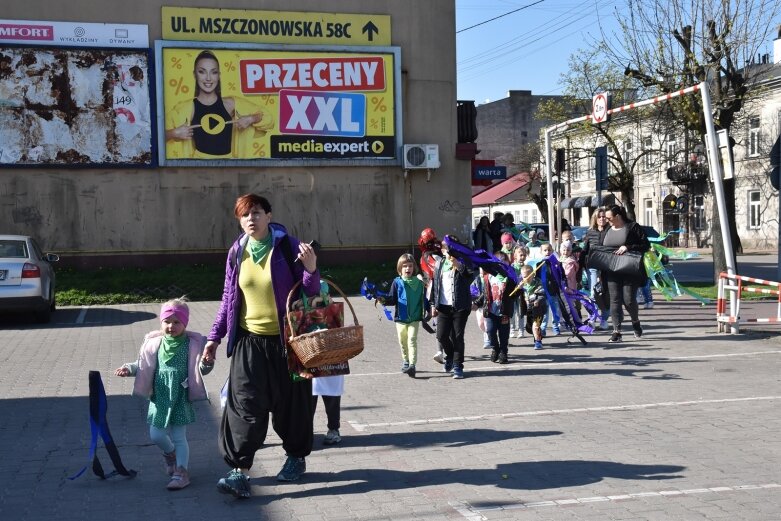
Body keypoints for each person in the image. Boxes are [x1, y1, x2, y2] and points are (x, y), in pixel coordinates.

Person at [202, 193, 320, 499]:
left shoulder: (288, 247)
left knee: (291, 405)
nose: (250, 219)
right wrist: (214, 337)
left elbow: (310, 293)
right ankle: (238, 470)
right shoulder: (236, 252)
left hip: (289, 341)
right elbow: (229, 298)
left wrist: (310, 268)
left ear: (269, 215)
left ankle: (295, 458)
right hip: (249, 342)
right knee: (244, 405)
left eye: (256, 212)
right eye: (244, 215)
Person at [114, 298, 211, 491]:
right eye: (167, 321)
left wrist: (206, 363)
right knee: (156, 434)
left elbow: (201, 369)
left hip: (180, 397)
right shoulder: (154, 343)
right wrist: (129, 368)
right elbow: (143, 364)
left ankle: (182, 472)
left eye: (177, 322)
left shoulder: (191, 345)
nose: (171, 326)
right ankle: (170, 454)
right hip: (159, 398)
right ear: (161, 323)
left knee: (179, 436)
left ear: (185, 323)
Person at [165, 50, 274, 158]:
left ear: (219, 75)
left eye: (214, 72)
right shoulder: (184, 108)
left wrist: (251, 119)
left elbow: (268, 119)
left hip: (229, 168)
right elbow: (157, 137)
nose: (208, 78)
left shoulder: (231, 104)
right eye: (202, 72)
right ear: (195, 74)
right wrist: (173, 133)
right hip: (197, 168)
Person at [602, 205, 651, 342]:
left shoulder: (633, 227)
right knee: (615, 299)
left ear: (617, 216)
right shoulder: (607, 229)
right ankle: (617, 331)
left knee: (629, 300)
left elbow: (646, 245)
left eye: (609, 218)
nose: (607, 220)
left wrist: (628, 247)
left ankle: (635, 322)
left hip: (629, 269)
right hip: (612, 269)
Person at [430, 236, 474, 379]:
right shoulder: (440, 263)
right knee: (441, 335)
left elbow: (469, 279)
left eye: (448, 247)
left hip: (460, 306)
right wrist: (433, 304)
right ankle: (449, 356)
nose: (446, 250)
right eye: (444, 248)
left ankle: (457, 366)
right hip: (443, 306)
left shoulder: (463, 261)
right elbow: (435, 284)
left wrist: (458, 265)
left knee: (457, 337)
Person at [382, 253, 427, 378]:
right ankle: (406, 361)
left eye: (410, 266)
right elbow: (392, 299)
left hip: (415, 318)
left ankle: (412, 365)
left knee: (412, 340)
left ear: (414, 268)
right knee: (403, 341)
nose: (408, 269)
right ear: (400, 269)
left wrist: (427, 311)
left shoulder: (418, 283)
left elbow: (424, 299)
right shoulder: (397, 282)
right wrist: (383, 300)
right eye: (405, 266)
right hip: (400, 318)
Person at [474, 251, 518, 364]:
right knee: (490, 332)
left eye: (504, 260)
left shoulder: (510, 277)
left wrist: (519, 288)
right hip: (490, 311)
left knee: (504, 334)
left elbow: (515, 294)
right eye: (499, 260)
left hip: (504, 311)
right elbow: (485, 293)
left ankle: (503, 352)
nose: (501, 263)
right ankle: (495, 348)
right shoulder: (488, 276)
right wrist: (477, 303)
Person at [581, 208, 611, 330]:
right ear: (595, 218)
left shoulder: (611, 231)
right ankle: (592, 319)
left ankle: (604, 320)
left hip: (607, 267)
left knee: (606, 295)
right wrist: (581, 265)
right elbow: (585, 250)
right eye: (599, 217)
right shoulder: (590, 232)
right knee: (593, 294)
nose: (602, 219)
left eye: (604, 216)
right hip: (593, 266)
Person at [311, 376, 343, 446]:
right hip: (307, 370)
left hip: (330, 369)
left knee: (331, 393)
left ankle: (334, 430)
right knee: (307, 399)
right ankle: (306, 430)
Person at [521, 264, 547, 350]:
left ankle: (538, 342)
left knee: (536, 326)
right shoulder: (522, 284)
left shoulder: (538, 283)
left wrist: (537, 301)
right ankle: (536, 335)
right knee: (530, 327)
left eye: (527, 276)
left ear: (533, 274)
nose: (526, 278)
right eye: (524, 277)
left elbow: (542, 295)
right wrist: (519, 288)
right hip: (528, 309)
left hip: (538, 309)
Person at [539, 242, 561, 336]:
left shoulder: (555, 263)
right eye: (545, 250)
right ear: (541, 252)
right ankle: (543, 328)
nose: (547, 252)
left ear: (552, 251)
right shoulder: (539, 264)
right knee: (544, 312)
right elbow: (537, 278)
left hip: (553, 291)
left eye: (549, 250)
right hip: (544, 292)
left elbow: (560, 275)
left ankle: (555, 326)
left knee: (555, 310)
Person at [510, 245, 528, 338]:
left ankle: (521, 330)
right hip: (513, 291)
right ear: (515, 256)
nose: (522, 257)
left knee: (520, 311)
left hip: (521, 292)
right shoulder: (511, 267)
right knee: (512, 312)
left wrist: (524, 283)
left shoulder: (527, 267)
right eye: (520, 255)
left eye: (524, 255)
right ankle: (512, 329)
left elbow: (529, 279)